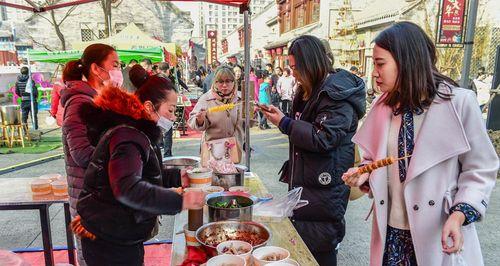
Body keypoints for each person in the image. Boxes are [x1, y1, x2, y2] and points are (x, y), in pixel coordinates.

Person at [342, 22, 498, 266]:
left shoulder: (458, 103)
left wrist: (459, 215)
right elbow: (373, 160)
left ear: (406, 61)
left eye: (380, 63)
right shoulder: (383, 106)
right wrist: (364, 174)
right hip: (391, 234)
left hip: (439, 231)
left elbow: (480, 168)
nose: (374, 72)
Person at [74, 70, 205, 266]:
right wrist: (180, 201)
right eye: (170, 110)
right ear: (149, 106)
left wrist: (178, 177)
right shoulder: (128, 136)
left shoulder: (135, 131)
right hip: (109, 238)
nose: (172, 117)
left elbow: (144, 172)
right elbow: (128, 188)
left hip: (117, 230)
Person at [261, 35, 366, 266]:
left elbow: (324, 137)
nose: (293, 72)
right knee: (303, 249)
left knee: (321, 249)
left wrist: (285, 123)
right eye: (291, 67)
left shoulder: (336, 94)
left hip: (325, 189)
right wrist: (282, 118)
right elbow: (306, 127)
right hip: (307, 185)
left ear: (312, 63)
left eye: (296, 67)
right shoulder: (307, 89)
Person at [61, 43, 121, 266]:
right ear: (96, 69)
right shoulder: (79, 103)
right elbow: (82, 154)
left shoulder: (96, 100)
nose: (118, 69)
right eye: (114, 64)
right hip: (90, 200)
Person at [188, 66, 244, 162]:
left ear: (234, 81)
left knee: (233, 176)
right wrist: (200, 120)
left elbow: (248, 124)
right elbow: (192, 121)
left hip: (234, 150)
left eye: (228, 81)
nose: (224, 85)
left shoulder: (241, 98)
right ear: (215, 82)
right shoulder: (206, 99)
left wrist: (253, 113)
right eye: (220, 81)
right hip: (212, 153)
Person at [156, 62, 175, 157]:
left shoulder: (154, 80)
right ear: (167, 70)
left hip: (156, 110)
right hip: (165, 109)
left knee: (157, 132)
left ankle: (158, 153)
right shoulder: (167, 81)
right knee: (167, 132)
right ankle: (167, 154)